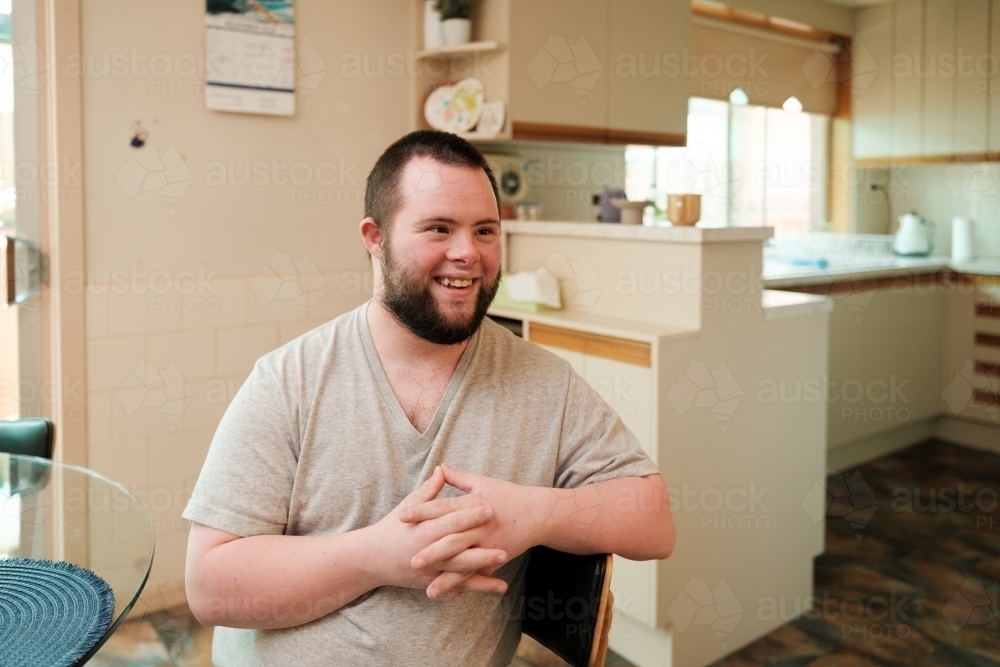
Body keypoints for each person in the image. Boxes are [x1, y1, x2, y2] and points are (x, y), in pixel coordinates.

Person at [183, 130, 675, 666]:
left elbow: (653, 521)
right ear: (375, 238)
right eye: (439, 228)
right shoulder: (287, 380)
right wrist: (378, 556)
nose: (467, 253)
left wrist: (534, 513)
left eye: (485, 230)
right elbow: (211, 587)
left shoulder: (545, 383)